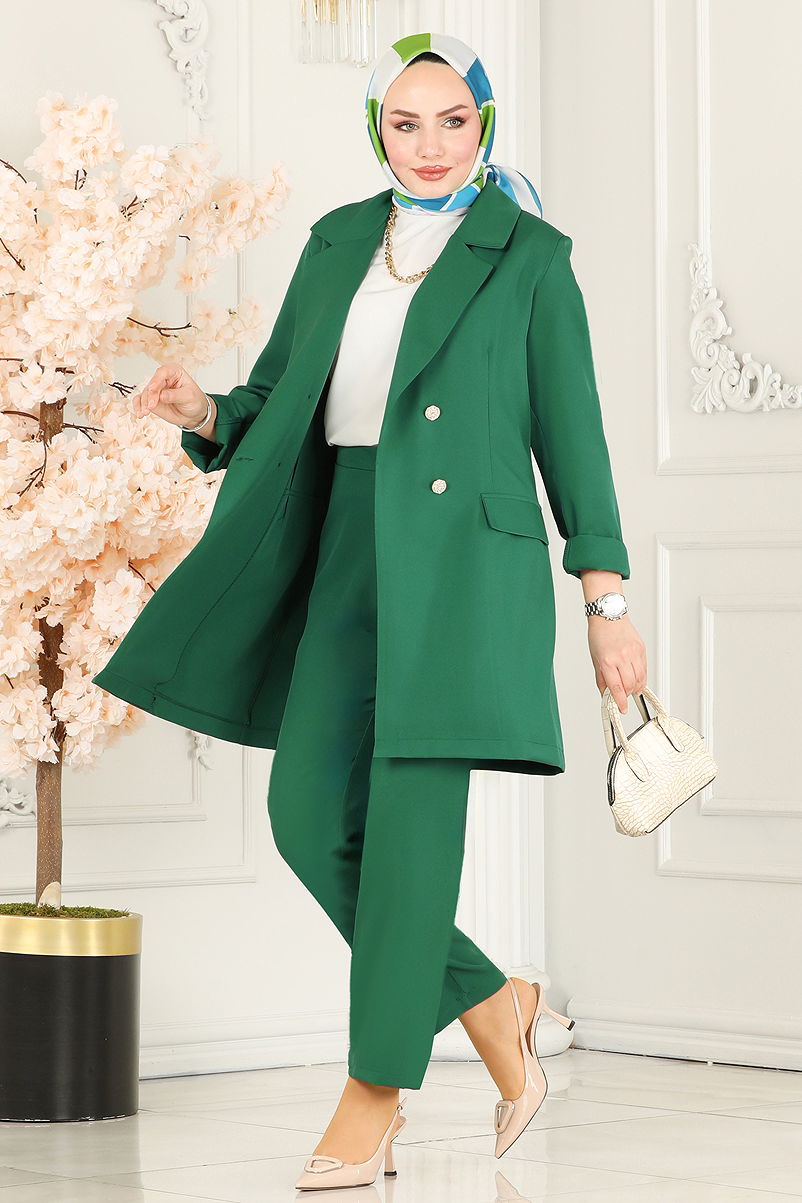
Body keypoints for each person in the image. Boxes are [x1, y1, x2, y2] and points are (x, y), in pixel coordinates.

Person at [110, 31, 648, 1192]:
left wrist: (605, 598)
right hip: (344, 549)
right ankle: (492, 1003)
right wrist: (199, 409)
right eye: (406, 123)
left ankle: (374, 1094)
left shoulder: (530, 255)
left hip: (460, 570)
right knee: (307, 817)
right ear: (376, 130)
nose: (430, 145)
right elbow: (279, 400)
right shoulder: (339, 240)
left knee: (410, 839)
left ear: (482, 124)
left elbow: (576, 442)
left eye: (453, 120)